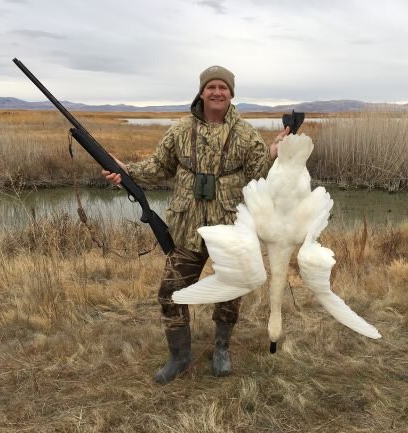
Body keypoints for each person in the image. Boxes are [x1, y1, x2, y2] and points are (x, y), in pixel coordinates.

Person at [103, 65, 288, 384]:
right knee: (170, 293)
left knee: (231, 291)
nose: (217, 92)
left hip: (230, 229)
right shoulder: (180, 130)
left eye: (223, 88)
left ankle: (221, 348)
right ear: (201, 91)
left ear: (232, 94)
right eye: (211, 87)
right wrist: (125, 170)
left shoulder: (245, 133)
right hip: (187, 230)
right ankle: (180, 357)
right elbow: (159, 167)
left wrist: (274, 154)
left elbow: (258, 176)